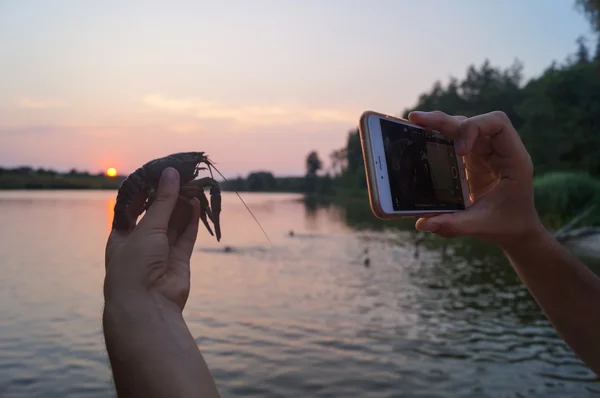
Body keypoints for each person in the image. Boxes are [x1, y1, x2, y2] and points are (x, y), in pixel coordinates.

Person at [103, 110, 600, 397]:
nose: (199, 170)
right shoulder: (155, 182)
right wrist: (527, 236)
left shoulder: (188, 179)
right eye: (191, 167)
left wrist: (140, 305)